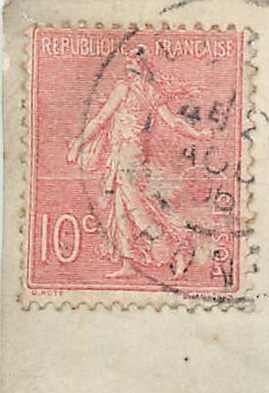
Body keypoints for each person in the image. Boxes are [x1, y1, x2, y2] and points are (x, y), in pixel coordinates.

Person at [67, 46, 214, 280]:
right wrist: (199, 135)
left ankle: (173, 245)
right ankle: (129, 263)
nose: (129, 72)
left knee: (134, 208)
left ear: (138, 69)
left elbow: (101, 119)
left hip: (126, 156)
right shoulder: (151, 92)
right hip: (132, 155)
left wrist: (78, 145)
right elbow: (174, 122)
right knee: (123, 208)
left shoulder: (123, 89)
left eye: (131, 67)